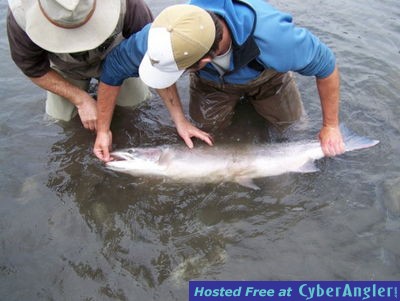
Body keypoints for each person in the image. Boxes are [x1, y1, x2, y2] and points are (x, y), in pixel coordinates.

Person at [94, 0, 345, 162]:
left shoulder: (277, 39)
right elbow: (113, 70)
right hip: (211, 83)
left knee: (293, 128)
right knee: (208, 133)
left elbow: (326, 66)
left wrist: (331, 125)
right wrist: (103, 131)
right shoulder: (161, 35)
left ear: (203, 60)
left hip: (268, 79)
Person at [7, 0, 153, 131]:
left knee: (136, 106)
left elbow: (152, 52)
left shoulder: (128, 4)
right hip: (67, 68)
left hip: (118, 60)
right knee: (60, 120)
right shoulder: (20, 16)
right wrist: (80, 99)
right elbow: (33, 68)